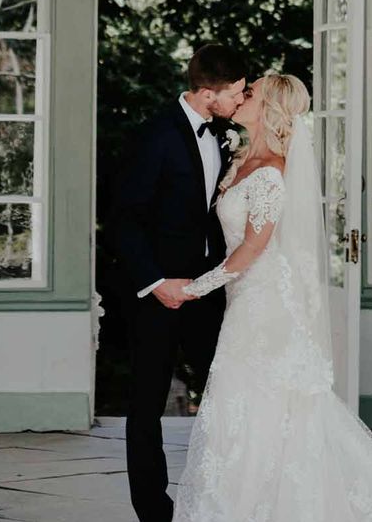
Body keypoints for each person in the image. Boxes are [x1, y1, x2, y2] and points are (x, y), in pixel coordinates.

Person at [174, 73, 372, 522]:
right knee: (246, 403)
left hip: (266, 302)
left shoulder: (272, 172)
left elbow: (253, 249)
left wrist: (193, 288)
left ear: (268, 106)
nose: (240, 97)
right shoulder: (238, 160)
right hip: (244, 299)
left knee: (263, 401)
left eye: (249, 93)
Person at [111, 42, 247, 522]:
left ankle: (224, 494)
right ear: (209, 93)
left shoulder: (229, 131)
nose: (242, 98)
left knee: (228, 390)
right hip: (158, 297)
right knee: (146, 404)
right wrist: (154, 282)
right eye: (236, 92)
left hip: (207, 292)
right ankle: (153, 510)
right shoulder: (155, 135)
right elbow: (124, 219)